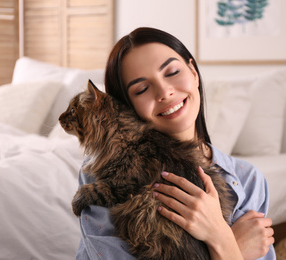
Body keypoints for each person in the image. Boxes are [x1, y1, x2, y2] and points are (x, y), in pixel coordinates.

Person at [76, 27, 275, 260]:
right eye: (142, 89)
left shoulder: (248, 180)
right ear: (127, 107)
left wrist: (218, 236)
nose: (164, 92)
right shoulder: (105, 170)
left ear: (193, 72)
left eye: (171, 72)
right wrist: (228, 245)